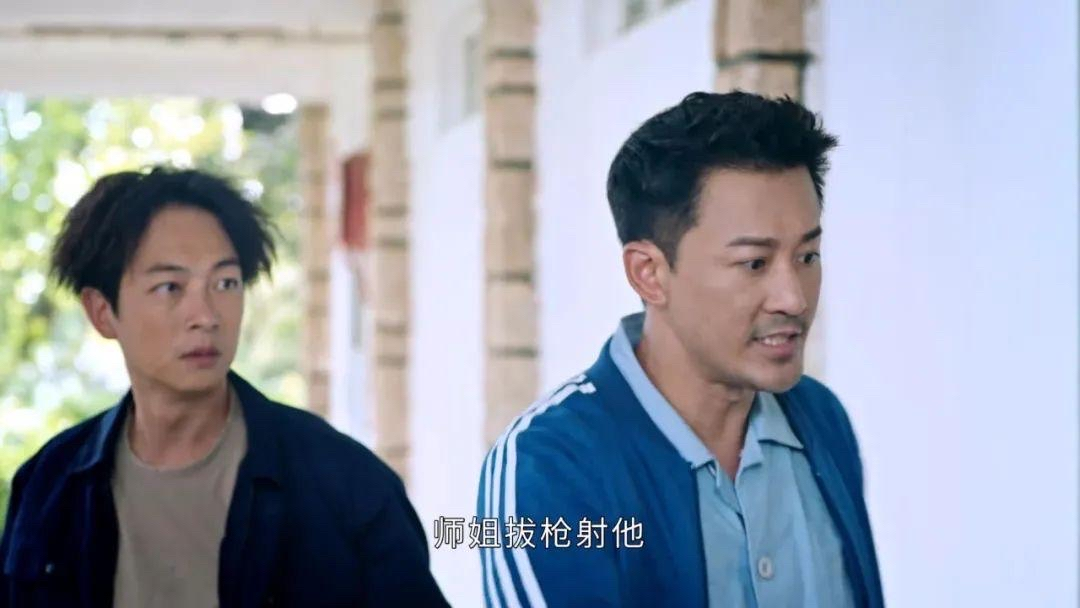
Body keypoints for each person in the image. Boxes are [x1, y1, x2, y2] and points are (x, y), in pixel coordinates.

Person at [477, 92, 883, 607]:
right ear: (649, 273)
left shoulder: (821, 421)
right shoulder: (551, 464)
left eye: (807, 256)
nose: (794, 298)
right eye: (755, 263)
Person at [0, 167, 448, 607]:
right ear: (102, 312)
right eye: (170, 287)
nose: (207, 315)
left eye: (225, 283)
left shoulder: (344, 483)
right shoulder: (48, 487)